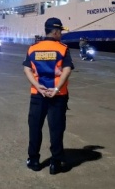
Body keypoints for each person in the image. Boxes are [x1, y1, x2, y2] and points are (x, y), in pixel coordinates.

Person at [23, 17, 74, 175]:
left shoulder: (33, 48)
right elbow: (67, 69)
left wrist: (38, 86)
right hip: (58, 95)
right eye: (61, 32)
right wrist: (57, 88)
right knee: (56, 128)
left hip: (38, 94)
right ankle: (56, 162)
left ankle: (34, 160)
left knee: (35, 127)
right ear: (56, 31)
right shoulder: (63, 48)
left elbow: (27, 69)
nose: (61, 35)